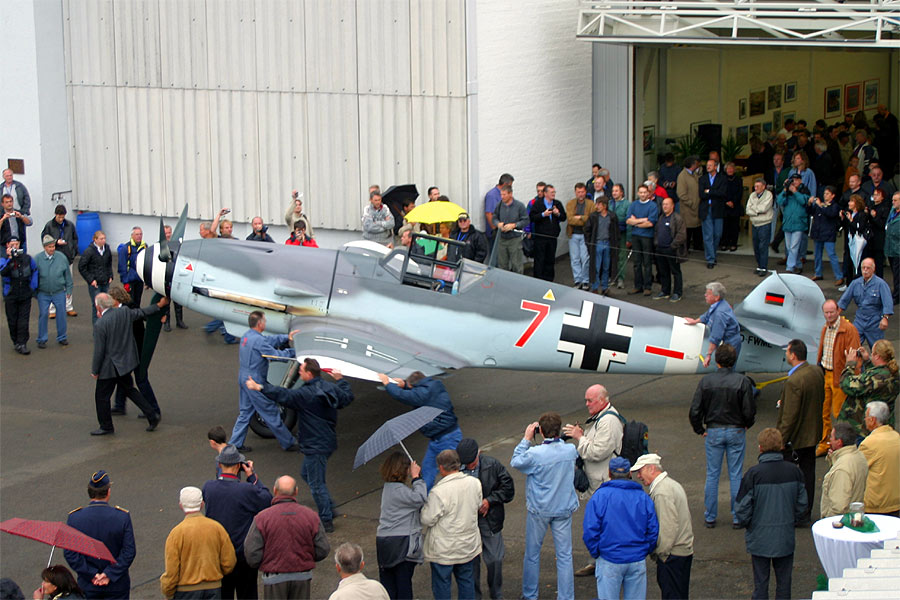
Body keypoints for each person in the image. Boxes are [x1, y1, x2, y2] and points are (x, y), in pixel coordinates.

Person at [246, 358, 353, 532]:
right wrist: (341, 380)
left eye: (301, 370)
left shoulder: (305, 395)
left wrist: (260, 387)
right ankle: (329, 506)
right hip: (326, 440)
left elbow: (284, 395)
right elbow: (347, 397)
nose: (298, 372)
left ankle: (326, 518)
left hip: (314, 443)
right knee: (308, 474)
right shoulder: (329, 388)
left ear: (309, 374)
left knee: (317, 484)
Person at [510, 413, 579, 600]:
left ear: (540, 431)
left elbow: (516, 461)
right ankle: (566, 597)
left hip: (540, 509)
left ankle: (530, 594)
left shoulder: (534, 454)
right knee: (564, 556)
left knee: (532, 554)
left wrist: (526, 439)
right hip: (563, 508)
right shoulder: (570, 451)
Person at [734, 428, 808, 600]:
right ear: (781, 446)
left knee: (760, 584)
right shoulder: (794, 472)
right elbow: (802, 505)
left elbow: (741, 508)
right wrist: (791, 520)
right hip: (785, 537)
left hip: (760, 538)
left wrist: (750, 525)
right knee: (784, 584)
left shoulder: (753, 474)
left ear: (760, 448)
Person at [689, 343, 756, 528]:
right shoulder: (742, 382)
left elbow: (695, 410)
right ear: (733, 361)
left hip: (714, 430)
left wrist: (700, 429)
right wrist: (746, 424)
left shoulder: (706, 382)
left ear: (717, 361)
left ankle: (710, 516)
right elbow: (749, 410)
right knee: (735, 474)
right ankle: (737, 516)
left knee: (712, 474)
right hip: (736, 429)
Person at [582, 457, 659, 600]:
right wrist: (645, 549)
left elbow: (590, 530)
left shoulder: (600, 497)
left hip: (609, 559)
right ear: (629, 474)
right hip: (636, 560)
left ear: (609, 473)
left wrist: (597, 552)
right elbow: (653, 529)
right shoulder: (642, 497)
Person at [202, 444, 273, 600]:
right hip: (243, 555)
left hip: (218, 554)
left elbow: (221, 486)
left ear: (220, 464)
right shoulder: (247, 490)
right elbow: (267, 500)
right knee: (247, 595)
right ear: (238, 466)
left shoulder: (208, 487)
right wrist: (252, 477)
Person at [90, 293, 165, 435]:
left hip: (109, 367)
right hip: (124, 363)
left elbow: (99, 351)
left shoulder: (100, 324)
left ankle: (106, 426)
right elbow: (142, 312)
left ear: (98, 307)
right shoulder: (124, 312)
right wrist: (158, 306)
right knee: (130, 389)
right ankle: (152, 414)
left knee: (102, 397)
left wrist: (95, 370)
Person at [244, 476, 330, 599]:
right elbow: (323, 549)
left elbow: (252, 552)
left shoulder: (262, 518)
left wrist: (266, 563)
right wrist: (305, 558)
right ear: (296, 491)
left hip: (274, 578)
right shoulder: (311, 516)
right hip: (302, 577)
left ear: (275, 490)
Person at [228, 311, 300, 452]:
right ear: (260, 323)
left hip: (243, 376)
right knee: (270, 411)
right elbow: (275, 355)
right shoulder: (258, 340)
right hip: (254, 380)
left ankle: (235, 444)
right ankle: (288, 442)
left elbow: (267, 341)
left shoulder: (247, 336)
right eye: (265, 321)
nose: (266, 323)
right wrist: (295, 353)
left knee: (245, 412)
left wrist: (286, 337)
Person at [377, 371, 461, 490]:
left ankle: (457, 495)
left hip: (446, 438)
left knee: (451, 471)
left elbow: (404, 396)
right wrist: (405, 384)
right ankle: (423, 499)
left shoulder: (422, 394)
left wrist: (387, 383)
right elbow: (416, 392)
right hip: (440, 437)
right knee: (428, 470)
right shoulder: (433, 386)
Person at [420, 449, 482, 600]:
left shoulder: (438, 492)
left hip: (444, 550)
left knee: (442, 585)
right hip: (468, 545)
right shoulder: (475, 483)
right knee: (467, 581)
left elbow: (427, 519)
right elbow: (478, 505)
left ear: (441, 468)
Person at [456, 438, 514, 600]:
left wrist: (490, 500)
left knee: (495, 559)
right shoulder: (456, 469)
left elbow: (508, 490)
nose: (470, 467)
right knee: (471, 562)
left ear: (478, 454)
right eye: (466, 464)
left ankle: (496, 593)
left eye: (472, 463)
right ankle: (474, 595)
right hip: (467, 521)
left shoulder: (492, 465)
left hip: (490, 519)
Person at [65, 470, 137, 599]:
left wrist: (91, 574)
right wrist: (109, 573)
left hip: (88, 584)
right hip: (117, 585)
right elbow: (129, 551)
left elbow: (71, 554)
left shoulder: (75, 518)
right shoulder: (121, 517)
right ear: (108, 492)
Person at [630, 454, 694, 600]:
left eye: (640, 471)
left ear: (651, 469)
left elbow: (668, 529)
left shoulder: (661, 492)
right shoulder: (671, 484)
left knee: (672, 595)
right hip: (683, 551)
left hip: (672, 555)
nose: (638, 476)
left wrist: (661, 554)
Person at [775, 339, 823, 526]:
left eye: (787, 352)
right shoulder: (816, 372)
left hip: (796, 439)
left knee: (791, 478)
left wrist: (781, 440)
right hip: (812, 433)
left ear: (793, 355)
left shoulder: (794, 380)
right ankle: (806, 511)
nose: (786, 355)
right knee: (809, 475)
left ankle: (796, 513)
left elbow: (789, 416)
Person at [159, 486, 236, 600]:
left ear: (181, 505)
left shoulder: (176, 533)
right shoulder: (217, 528)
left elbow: (172, 571)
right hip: (214, 588)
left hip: (185, 591)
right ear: (202, 504)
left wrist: (168, 591)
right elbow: (229, 562)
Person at [375, 453, 427, 600]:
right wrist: (417, 477)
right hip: (401, 543)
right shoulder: (400, 490)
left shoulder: (388, 489)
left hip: (384, 542)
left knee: (389, 586)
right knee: (404, 585)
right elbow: (421, 498)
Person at [815, 299, 861, 457]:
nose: (829, 315)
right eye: (826, 313)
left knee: (839, 413)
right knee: (823, 412)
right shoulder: (825, 328)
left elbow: (855, 357)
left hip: (839, 377)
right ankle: (825, 443)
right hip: (825, 374)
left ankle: (841, 447)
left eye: (831, 312)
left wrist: (852, 380)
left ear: (838, 311)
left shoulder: (849, 330)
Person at [839, 339, 899, 430]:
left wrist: (850, 364)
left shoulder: (871, 378)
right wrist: (867, 361)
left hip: (867, 427)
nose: (871, 355)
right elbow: (877, 380)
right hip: (886, 424)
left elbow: (846, 384)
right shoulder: (895, 373)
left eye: (872, 353)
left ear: (877, 356)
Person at [837, 257, 893, 346]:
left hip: (875, 322)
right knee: (852, 346)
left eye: (868, 268)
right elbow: (844, 301)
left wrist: (885, 318)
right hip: (859, 320)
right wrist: (835, 317)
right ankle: (859, 359)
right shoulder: (855, 283)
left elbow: (888, 303)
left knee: (877, 350)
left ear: (873, 269)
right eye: (863, 268)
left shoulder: (881, 284)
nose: (865, 270)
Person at [684, 282, 742, 366]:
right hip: (729, 340)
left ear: (716, 297)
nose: (705, 295)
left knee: (725, 367)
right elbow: (707, 315)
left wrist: (708, 355)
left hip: (731, 343)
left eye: (708, 294)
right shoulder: (718, 305)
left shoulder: (719, 314)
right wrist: (695, 321)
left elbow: (716, 336)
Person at [858, 401, 900, 517]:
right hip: (896, 502)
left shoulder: (869, 443)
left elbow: (857, 469)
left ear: (872, 420)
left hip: (877, 504)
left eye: (866, 417)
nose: (864, 420)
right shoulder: (896, 437)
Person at [819, 422, 868, 518]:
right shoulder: (859, 456)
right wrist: (834, 458)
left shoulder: (842, 469)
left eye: (832, 437)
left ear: (839, 442)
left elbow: (838, 507)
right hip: (853, 517)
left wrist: (826, 521)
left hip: (839, 524)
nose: (830, 440)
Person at [35, 234, 72, 349]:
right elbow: (34, 277)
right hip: (43, 292)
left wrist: (69, 289)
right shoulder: (37, 259)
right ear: (44, 247)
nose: (52, 249)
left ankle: (62, 337)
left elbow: (67, 275)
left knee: (61, 314)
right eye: (49, 247)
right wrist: (35, 292)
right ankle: (42, 338)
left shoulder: (61, 257)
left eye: (53, 246)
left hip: (59, 291)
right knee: (43, 314)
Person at [1, 237, 37, 354]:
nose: (15, 247)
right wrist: (11, 259)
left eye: (16, 244)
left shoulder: (27, 258)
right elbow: (3, 272)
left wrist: (33, 286)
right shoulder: (4, 259)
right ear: (7, 245)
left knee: (24, 319)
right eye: (12, 245)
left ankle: (22, 343)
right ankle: (16, 341)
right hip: (11, 294)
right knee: (12, 320)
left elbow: (34, 270)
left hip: (25, 293)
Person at [41, 205, 78, 317]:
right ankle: (52, 309)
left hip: (67, 257)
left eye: (63, 217)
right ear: (55, 215)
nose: (61, 219)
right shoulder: (49, 226)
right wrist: (56, 242)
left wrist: (73, 252)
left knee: (68, 282)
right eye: (59, 217)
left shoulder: (70, 225)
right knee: (53, 282)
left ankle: (68, 306)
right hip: (54, 257)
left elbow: (75, 239)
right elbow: (44, 239)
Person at [528, 183, 566, 282]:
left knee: (550, 259)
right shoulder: (537, 204)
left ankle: (549, 280)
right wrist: (542, 214)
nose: (554, 194)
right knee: (539, 259)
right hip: (540, 237)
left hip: (552, 237)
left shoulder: (557, 203)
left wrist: (558, 213)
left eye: (554, 192)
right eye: (551, 192)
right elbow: (532, 217)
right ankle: (538, 280)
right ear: (545, 193)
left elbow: (564, 217)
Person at [625, 184, 657, 295]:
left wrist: (636, 222)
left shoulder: (652, 206)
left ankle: (647, 287)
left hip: (647, 237)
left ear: (648, 193)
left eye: (644, 192)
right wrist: (642, 220)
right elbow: (628, 221)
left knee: (647, 262)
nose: (642, 194)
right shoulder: (634, 204)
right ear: (638, 193)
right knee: (636, 262)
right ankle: (637, 286)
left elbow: (650, 223)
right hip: (635, 236)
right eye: (641, 192)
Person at [653, 196, 686, 301]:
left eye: (667, 204)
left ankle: (677, 293)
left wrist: (672, 246)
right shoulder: (661, 217)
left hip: (671, 250)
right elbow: (657, 232)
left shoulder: (677, 218)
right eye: (663, 204)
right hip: (660, 249)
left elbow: (681, 235)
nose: (665, 206)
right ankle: (665, 291)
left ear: (672, 206)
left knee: (675, 272)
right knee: (663, 271)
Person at [776, 175, 810, 274]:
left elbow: (804, 201)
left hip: (799, 223)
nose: (794, 182)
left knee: (793, 246)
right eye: (792, 180)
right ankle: (798, 264)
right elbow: (780, 201)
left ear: (800, 181)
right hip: (788, 223)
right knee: (789, 246)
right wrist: (785, 189)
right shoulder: (787, 192)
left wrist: (795, 191)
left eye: (796, 180)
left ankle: (789, 267)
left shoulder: (804, 190)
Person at [584, 196, 618, 295]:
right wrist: (589, 244)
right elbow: (587, 230)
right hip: (597, 243)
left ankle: (604, 287)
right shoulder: (593, 216)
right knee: (596, 267)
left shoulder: (612, 216)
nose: (597, 206)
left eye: (599, 204)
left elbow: (616, 232)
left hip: (608, 243)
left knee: (606, 266)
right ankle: (595, 287)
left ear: (604, 205)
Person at [808, 186, 842, 283]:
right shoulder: (821, 205)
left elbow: (830, 214)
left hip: (828, 234)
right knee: (817, 255)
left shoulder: (834, 206)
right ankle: (818, 273)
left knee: (831, 255)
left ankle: (839, 276)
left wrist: (820, 205)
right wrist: (810, 204)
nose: (825, 195)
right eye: (824, 193)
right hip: (818, 233)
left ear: (833, 195)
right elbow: (810, 212)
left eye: (827, 194)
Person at [78, 231, 114, 325]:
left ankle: (105, 326)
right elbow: (81, 267)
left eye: (104, 238)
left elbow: (109, 263)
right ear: (95, 239)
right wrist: (91, 280)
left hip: (105, 282)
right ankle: (97, 329)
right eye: (101, 239)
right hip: (95, 284)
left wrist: (110, 275)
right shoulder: (89, 251)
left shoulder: (107, 248)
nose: (103, 241)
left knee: (106, 305)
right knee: (97, 306)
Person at [492, 184, 528, 274]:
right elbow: (494, 217)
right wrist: (498, 224)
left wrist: (514, 225)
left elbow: (526, 220)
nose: (502, 197)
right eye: (501, 195)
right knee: (502, 265)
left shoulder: (519, 206)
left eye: (504, 195)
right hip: (502, 239)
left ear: (510, 194)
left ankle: (518, 285)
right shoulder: (499, 205)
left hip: (514, 240)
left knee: (516, 265)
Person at [699, 158, 727, 269]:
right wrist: (713, 192)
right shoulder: (702, 178)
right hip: (706, 209)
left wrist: (709, 191)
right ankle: (710, 259)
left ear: (716, 166)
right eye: (707, 165)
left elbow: (722, 193)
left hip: (718, 209)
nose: (708, 167)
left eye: (710, 165)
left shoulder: (722, 178)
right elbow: (702, 194)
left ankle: (713, 254)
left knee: (717, 234)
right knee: (708, 235)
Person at [565, 183, 593, 290]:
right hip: (573, 234)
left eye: (582, 192)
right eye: (578, 192)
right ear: (575, 192)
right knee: (575, 259)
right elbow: (570, 219)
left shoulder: (591, 204)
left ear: (585, 192)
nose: (580, 194)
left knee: (585, 258)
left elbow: (590, 219)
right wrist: (583, 219)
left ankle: (585, 280)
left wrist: (579, 218)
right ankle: (578, 280)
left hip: (585, 235)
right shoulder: (570, 203)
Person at [745, 177, 774, 275]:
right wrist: (757, 211)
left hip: (764, 224)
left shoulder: (769, 195)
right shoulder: (752, 195)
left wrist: (754, 209)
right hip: (755, 224)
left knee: (763, 246)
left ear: (763, 187)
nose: (755, 188)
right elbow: (747, 210)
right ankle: (759, 265)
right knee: (756, 246)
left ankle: (763, 267)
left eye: (758, 186)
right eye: (755, 186)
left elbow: (764, 208)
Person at [676, 156, 702, 252]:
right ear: (693, 164)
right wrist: (691, 203)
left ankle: (697, 246)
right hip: (688, 209)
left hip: (696, 208)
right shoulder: (682, 176)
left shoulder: (695, 174)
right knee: (688, 229)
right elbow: (681, 193)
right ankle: (684, 250)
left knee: (697, 228)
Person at [117, 227, 146, 306]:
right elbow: (122, 266)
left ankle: (137, 317)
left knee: (137, 301)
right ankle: (128, 318)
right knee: (129, 302)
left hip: (140, 279)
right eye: (137, 234)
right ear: (132, 235)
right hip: (130, 280)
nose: (139, 236)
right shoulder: (126, 248)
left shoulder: (145, 247)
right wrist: (125, 282)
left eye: (140, 234)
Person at [484, 174, 513, 244]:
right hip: (496, 233)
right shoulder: (492, 195)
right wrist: (494, 229)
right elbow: (489, 214)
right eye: (510, 185)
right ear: (505, 184)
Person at [721, 162, 744, 252]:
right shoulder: (722, 179)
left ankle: (733, 243)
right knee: (725, 226)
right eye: (728, 169)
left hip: (735, 205)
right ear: (725, 170)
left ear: (734, 170)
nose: (730, 170)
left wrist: (733, 202)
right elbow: (721, 191)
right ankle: (724, 243)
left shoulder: (738, 179)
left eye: (731, 168)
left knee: (734, 226)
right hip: (725, 205)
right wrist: (726, 201)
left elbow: (739, 192)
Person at [886, 191, 900, 305]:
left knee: (897, 275)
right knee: (895, 273)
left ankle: (897, 295)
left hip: (898, 249)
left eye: (895, 200)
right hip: (891, 248)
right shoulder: (893, 211)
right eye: (892, 200)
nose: (893, 202)